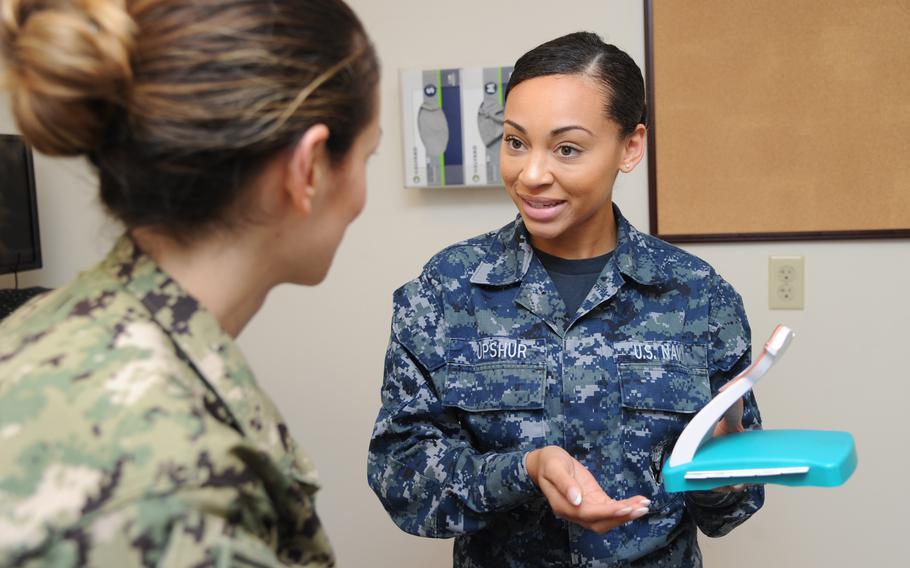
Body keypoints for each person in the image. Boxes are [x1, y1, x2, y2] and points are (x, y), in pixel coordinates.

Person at [0, 0, 379, 565]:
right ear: (310, 169)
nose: (361, 199)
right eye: (366, 158)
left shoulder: (55, 329)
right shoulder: (168, 488)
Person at [368, 32, 763, 567]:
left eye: (567, 148)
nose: (531, 174)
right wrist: (522, 471)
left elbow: (729, 512)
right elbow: (400, 475)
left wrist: (722, 470)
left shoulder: (698, 295)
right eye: (514, 142)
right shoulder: (449, 288)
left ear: (631, 146)